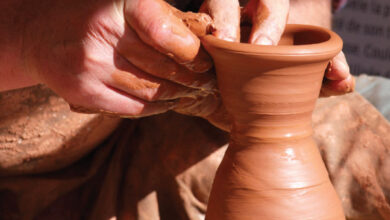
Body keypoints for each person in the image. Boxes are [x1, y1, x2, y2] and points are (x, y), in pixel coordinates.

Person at [0, 0, 365, 219]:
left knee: (362, 148)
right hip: (18, 158)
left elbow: (304, 13)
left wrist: (269, 56)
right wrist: (25, 34)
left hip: (169, 121)